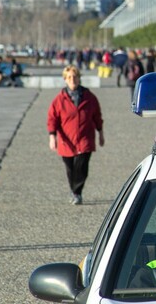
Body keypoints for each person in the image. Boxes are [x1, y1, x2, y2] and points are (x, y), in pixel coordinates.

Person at [47, 65, 104, 205]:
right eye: (69, 77)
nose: (73, 80)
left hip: (85, 139)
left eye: (75, 77)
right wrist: (52, 136)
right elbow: (52, 119)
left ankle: (77, 193)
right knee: (70, 169)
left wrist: (101, 133)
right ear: (65, 80)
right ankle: (74, 191)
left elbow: (97, 116)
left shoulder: (89, 97)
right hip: (67, 141)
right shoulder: (59, 100)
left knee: (82, 168)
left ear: (79, 78)